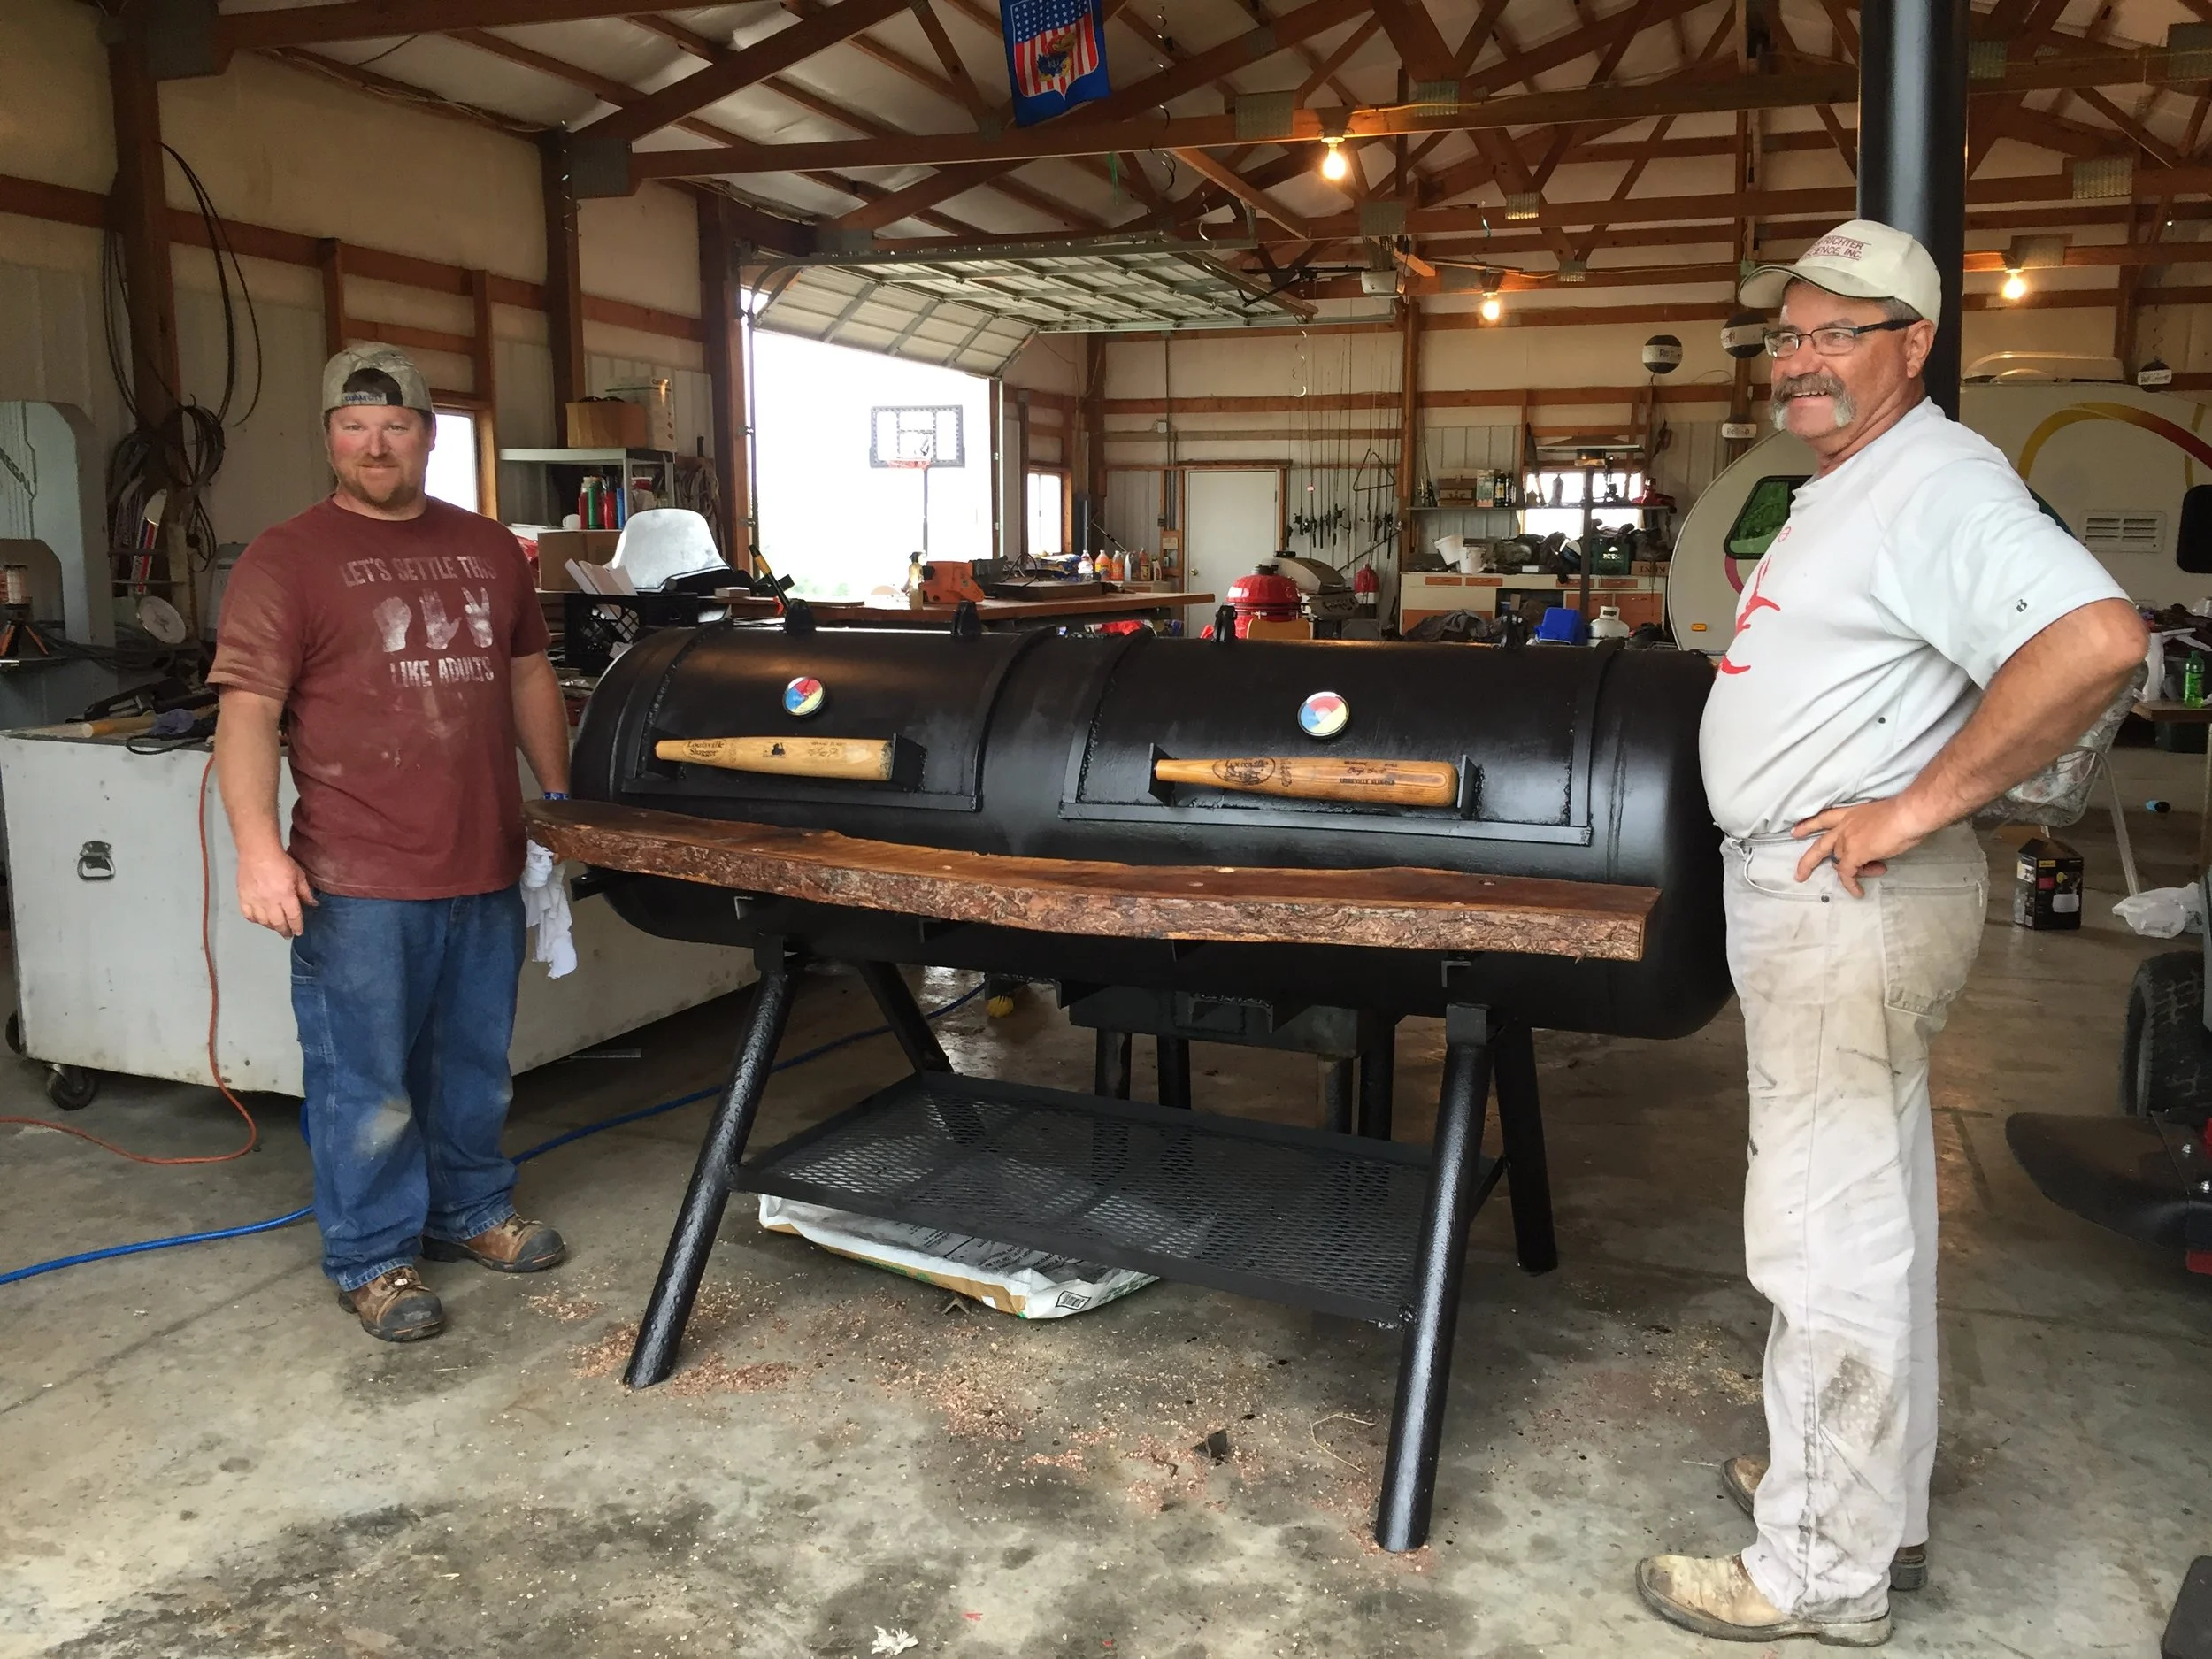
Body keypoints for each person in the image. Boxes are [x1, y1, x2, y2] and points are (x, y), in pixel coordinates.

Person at [1636, 221, 2147, 1645]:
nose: (1800, 361)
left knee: (1823, 1238)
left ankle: (1818, 1565)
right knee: (1871, 1213)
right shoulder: (1851, 479)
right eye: (1788, 336)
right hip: (1819, 899)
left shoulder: (1935, 480)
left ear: (1914, 345)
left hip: (1844, 899)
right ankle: (1867, 1501)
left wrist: (1912, 805)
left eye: (1837, 335)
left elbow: (2098, 641)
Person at [211, 345, 575, 1343]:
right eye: (353, 426)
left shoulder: (490, 549)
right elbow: (247, 714)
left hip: (483, 860)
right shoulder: (285, 558)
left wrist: (557, 798)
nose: (374, 445)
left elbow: (528, 674)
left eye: (395, 424)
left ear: (429, 434)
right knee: (364, 1081)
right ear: (330, 436)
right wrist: (258, 850)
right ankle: (373, 1256)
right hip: (356, 876)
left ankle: (470, 1208)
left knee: (475, 1065)